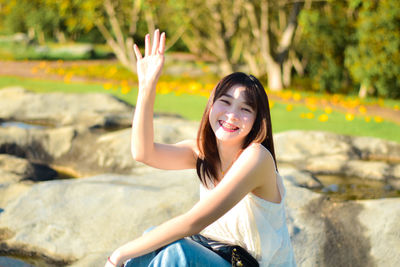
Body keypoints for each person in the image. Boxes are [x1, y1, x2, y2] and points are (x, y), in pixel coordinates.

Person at [105, 29, 296, 267]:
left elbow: (194, 222)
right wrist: (146, 85)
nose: (232, 115)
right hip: (217, 255)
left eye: (245, 110)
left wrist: (118, 255)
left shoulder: (256, 158)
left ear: (258, 121)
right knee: (152, 239)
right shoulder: (202, 152)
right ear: (211, 106)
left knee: (177, 253)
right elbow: (143, 153)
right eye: (225, 102)